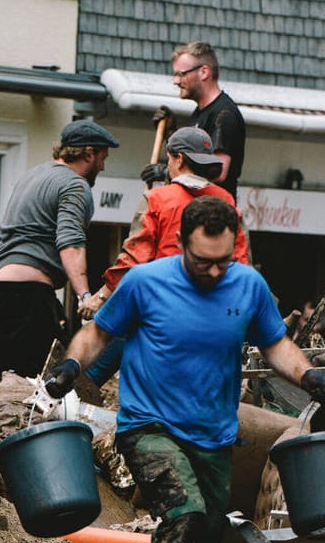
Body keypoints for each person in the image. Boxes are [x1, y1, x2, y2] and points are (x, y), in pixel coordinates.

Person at [43, 198, 325, 543]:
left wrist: (310, 377)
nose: (213, 271)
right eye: (203, 261)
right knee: (183, 516)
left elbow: (276, 345)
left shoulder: (246, 285)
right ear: (181, 244)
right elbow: (99, 332)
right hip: (148, 427)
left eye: (223, 260)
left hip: (213, 437)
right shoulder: (144, 283)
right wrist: (71, 364)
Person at [79, 127, 249, 388]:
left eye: (168, 159)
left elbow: (134, 258)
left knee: (101, 357)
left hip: (160, 309)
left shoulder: (157, 199)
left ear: (179, 159)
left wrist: (101, 297)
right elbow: (241, 263)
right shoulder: (227, 201)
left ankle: (70, 393)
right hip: (212, 315)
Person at [0, 120, 119, 381]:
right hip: (28, 297)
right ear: (88, 153)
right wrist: (84, 295)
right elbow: (70, 241)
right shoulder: (75, 186)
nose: (103, 166)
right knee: (46, 380)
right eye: (102, 158)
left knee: (7, 381)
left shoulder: (32, 176)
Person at [171, 42, 246, 201]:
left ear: (204, 72)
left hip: (216, 214)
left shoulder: (224, 114)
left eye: (181, 74)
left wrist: (171, 171)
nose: (176, 81)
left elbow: (218, 172)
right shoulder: (199, 113)